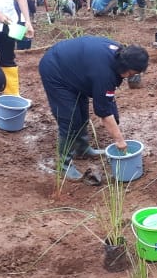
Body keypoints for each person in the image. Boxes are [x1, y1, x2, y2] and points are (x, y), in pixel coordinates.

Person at [39, 37, 149, 180]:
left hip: (76, 70)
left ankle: (82, 149)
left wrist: (115, 117)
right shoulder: (104, 73)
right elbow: (103, 111)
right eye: (131, 73)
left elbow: (108, 98)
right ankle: (64, 165)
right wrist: (119, 140)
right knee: (70, 119)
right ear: (124, 67)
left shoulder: (120, 56)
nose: (130, 77)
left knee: (82, 113)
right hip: (56, 70)